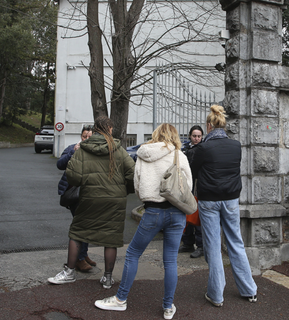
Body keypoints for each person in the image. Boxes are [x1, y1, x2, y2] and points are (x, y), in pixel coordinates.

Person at [94, 123, 190, 320]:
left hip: (153, 211)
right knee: (170, 260)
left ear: (156, 134)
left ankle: (120, 300)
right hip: (177, 213)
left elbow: (137, 185)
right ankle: (168, 306)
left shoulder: (143, 154)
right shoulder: (179, 155)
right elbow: (188, 185)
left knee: (133, 254)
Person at [47, 115, 135, 289]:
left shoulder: (83, 149)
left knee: (77, 232)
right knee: (111, 237)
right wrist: (125, 190)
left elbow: (73, 176)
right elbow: (132, 173)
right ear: (110, 130)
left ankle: (69, 272)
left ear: (95, 130)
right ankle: (108, 278)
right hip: (115, 201)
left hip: (89, 198)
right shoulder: (119, 149)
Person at [190, 104, 257, 306]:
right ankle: (249, 290)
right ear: (223, 125)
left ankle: (216, 295)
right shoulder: (236, 146)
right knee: (236, 242)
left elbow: (193, 172)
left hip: (209, 199)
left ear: (209, 126)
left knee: (213, 246)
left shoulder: (203, 147)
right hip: (231, 199)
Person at [56, 125, 96, 272]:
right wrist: (73, 152)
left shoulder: (94, 152)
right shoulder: (72, 148)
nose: (86, 139)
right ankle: (78, 259)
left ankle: (83, 254)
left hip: (89, 193)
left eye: (89, 137)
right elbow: (60, 165)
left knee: (87, 224)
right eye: (84, 136)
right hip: (74, 194)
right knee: (80, 225)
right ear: (81, 136)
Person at [179, 125, 204, 259]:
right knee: (187, 215)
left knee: (196, 216)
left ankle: (200, 246)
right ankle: (188, 242)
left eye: (199, 136)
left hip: (197, 187)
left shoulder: (201, 149)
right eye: (194, 136)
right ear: (190, 136)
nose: (196, 138)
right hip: (188, 186)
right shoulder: (187, 149)